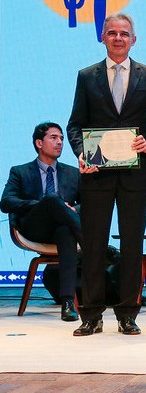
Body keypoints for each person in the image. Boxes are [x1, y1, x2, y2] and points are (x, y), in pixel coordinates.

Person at [67, 12, 146, 336]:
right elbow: (75, 125)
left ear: (133, 39)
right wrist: (81, 152)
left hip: (134, 176)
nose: (118, 38)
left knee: (131, 245)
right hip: (96, 176)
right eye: (112, 32)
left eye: (124, 33)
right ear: (103, 37)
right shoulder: (87, 76)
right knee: (94, 247)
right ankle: (91, 315)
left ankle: (128, 314)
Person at [1, 122, 82, 321]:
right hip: (33, 228)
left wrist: (73, 209)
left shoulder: (73, 173)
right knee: (52, 199)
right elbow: (6, 202)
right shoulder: (20, 171)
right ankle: (90, 242)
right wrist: (42, 204)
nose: (60, 142)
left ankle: (67, 302)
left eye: (61, 138)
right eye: (54, 137)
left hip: (62, 228)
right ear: (39, 143)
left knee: (65, 231)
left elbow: (88, 203)